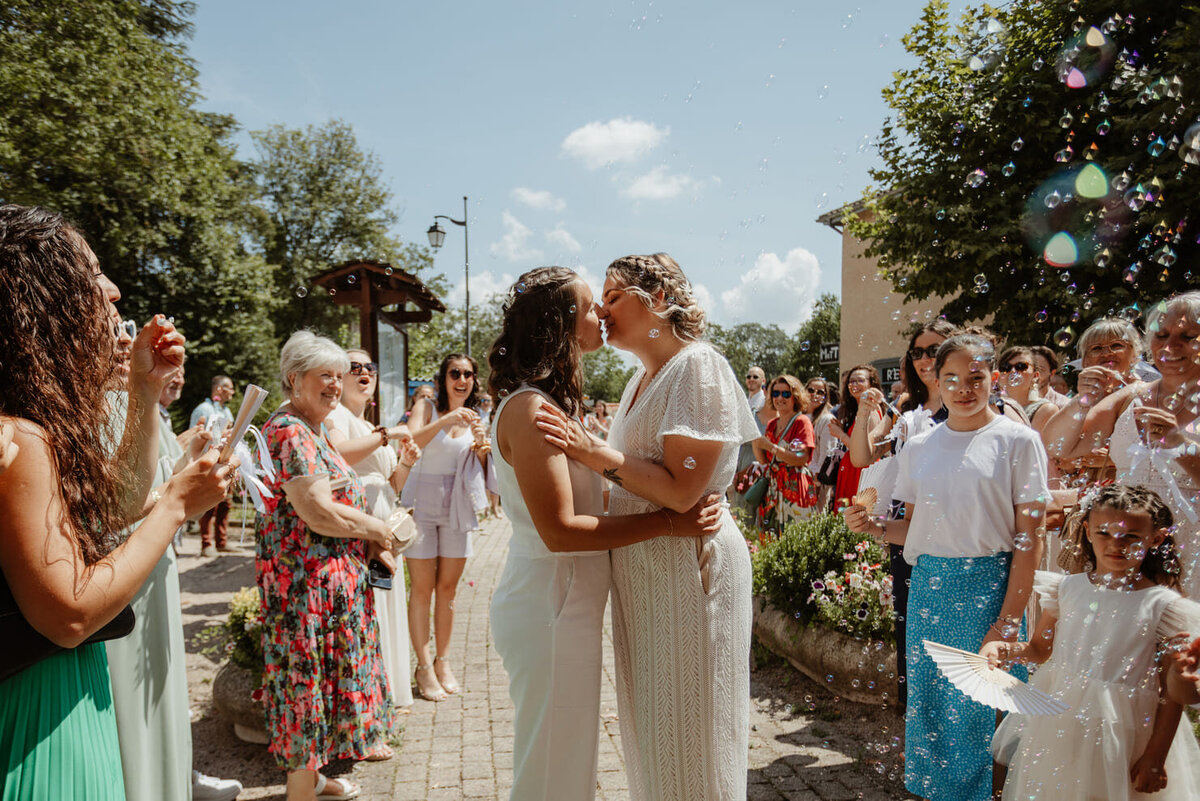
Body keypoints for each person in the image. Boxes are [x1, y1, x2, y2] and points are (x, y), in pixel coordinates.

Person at [0, 204, 234, 800]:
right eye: (92, 274)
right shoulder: (18, 435)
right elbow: (71, 614)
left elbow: (111, 510)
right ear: (43, 298)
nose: (114, 289)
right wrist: (176, 506)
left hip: (66, 688)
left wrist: (144, 387)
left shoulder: (33, 422)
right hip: (37, 708)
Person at [487, 266, 724, 801]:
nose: (602, 315)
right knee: (552, 769)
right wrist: (670, 522)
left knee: (567, 761)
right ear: (560, 324)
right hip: (549, 603)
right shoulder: (530, 410)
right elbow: (562, 531)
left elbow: (593, 497)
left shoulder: (552, 406)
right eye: (591, 305)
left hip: (566, 604)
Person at [536, 252, 760, 800]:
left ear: (657, 299)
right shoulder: (643, 377)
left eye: (612, 297)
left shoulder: (698, 366)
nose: (602, 311)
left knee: (696, 728)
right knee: (654, 728)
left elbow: (684, 492)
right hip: (646, 572)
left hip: (690, 565)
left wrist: (591, 451)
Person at [842, 333, 1050, 801]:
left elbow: (1028, 539)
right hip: (930, 590)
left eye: (975, 377)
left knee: (988, 711)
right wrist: (874, 527)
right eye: (951, 377)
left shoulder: (1018, 441)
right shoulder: (920, 445)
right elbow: (913, 531)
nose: (962, 388)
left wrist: (1008, 620)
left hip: (991, 589)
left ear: (993, 378)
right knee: (934, 709)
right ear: (935, 378)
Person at [986, 485, 1200, 800]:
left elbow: (1172, 693)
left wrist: (1155, 754)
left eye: (1130, 537)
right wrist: (1005, 649)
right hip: (1062, 721)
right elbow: (1039, 650)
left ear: (1155, 539)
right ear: (1087, 531)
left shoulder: (1162, 605)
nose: (1116, 544)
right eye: (1104, 532)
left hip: (1125, 731)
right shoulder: (1067, 589)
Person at [256, 331, 395, 801]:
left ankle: (312, 779)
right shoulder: (292, 431)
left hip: (324, 586)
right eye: (325, 377)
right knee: (304, 685)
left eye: (340, 377)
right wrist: (378, 530)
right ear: (295, 380)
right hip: (304, 589)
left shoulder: (312, 426)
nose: (336, 385)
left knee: (317, 684)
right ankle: (301, 790)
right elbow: (319, 512)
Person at [1041, 292, 1200, 597]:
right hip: (1124, 546)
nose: (1170, 346)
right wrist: (1082, 402)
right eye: (1162, 335)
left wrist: (1178, 445)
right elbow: (1060, 446)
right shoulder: (1132, 396)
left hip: (1191, 547)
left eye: (1188, 336)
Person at [848, 318, 958, 707]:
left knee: (953, 633)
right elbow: (862, 456)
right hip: (904, 529)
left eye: (934, 349)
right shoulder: (907, 409)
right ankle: (918, 721)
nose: (926, 358)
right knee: (911, 626)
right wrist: (865, 412)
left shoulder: (966, 407)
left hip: (953, 530)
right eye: (918, 352)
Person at [326, 349, 419, 715]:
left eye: (370, 367)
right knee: (369, 607)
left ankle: (389, 691)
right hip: (359, 524)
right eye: (355, 367)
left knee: (386, 599)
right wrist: (387, 436)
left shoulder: (368, 425)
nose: (365, 372)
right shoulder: (338, 416)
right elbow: (336, 453)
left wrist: (407, 462)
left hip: (384, 523)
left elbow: (393, 485)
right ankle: (368, 702)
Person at [402, 353, 492, 701]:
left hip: (457, 504)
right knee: (422, 588)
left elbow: (483, 467)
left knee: (449, 588)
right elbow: (409, 443)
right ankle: (423, 667)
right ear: (443, 378)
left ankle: (443, 662)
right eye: (455, 372)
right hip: (421, 504)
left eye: (468, 374)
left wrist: (483, 445)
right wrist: (445, 420)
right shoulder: (427, 406)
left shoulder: (477, 416)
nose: (462, 379)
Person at [752, 375, 816, 530]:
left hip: (795, 487)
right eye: (775, 393)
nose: (780, 398)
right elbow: (764, 461)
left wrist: (771, 447)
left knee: (794, 537)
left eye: (786, 394)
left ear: (795, 397)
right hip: (773, 489)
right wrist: (754, 440)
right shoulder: (772, 424)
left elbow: (801, 458)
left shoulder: (802, 422)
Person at [829, 364, 884, 509]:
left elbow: (865, 449)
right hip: (851, 470)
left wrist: (839, 434)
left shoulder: (871, 409)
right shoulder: (858, 410)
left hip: (860, 473)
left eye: (860, 380)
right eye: (851, 381)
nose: (854, 384)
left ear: (871, 385)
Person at [192, 374, 236, 556]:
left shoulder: (226, 411)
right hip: (208, 461)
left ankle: (221, 541)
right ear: (220, 389)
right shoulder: (203, 409)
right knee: (209, 505)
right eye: (230, 388)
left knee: (225, 504)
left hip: (226, 461)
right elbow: (194, 435)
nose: (232, 392)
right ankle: (206, 544)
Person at [996, 346, 1059, 434]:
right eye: (1006, 367)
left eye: (1021, 366)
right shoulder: (991, 406)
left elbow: (1028, 445)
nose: (1013, 371)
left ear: (1035, 376)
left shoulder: (1046, 409)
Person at [805, 376, 838, 511]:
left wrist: (816, 479)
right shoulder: (798, 416)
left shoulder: (827, 419)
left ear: (826, 397)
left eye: (820, 392)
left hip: (815, 482)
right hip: (797, 478)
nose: (815, 394)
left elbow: (828, 453)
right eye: (811, 390)